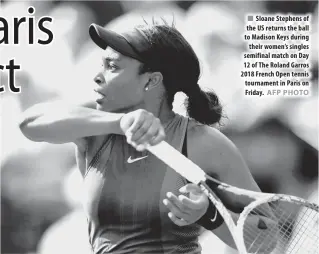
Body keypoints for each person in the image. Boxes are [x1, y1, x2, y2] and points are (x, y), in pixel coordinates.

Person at [20, 20, 267, 254]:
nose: (98, 76)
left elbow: (270, 238)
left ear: (151, 80)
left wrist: (210, 215)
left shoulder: (203, 142)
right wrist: (119, 123)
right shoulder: (94, 129)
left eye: (113, 67)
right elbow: (29, 123)